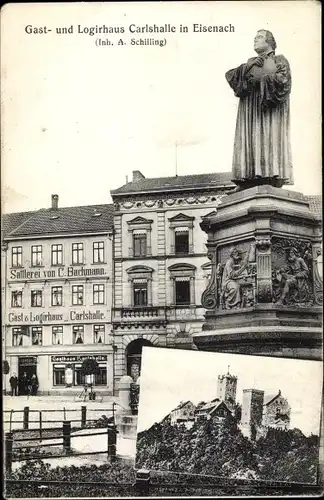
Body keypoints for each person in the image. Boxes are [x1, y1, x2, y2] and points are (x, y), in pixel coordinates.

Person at [225, 30, 293, 188]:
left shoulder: (279, 60)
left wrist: (262, 79)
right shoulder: (250, 63)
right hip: (250, 112)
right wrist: (248, 67)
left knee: (267, 138)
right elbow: (231, 77)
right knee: (251, 139)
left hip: (268, 110)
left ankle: (271, 175)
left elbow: (284, 82)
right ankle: (248, 177)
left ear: (269, 41)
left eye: (260, 37)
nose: (255, 39)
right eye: (254, 37)